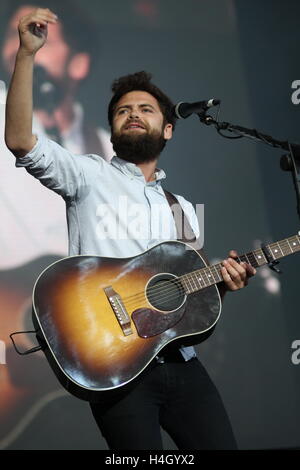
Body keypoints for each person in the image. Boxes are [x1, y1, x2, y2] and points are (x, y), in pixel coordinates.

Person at [5, 8, 256, 450]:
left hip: (182, 363)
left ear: (169, 129)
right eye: (123, 110)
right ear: (114, 126)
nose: (133, 114)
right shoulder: (86, 175)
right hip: (115, 362)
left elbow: (189, 294)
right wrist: (26, 55)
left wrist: (228, 282)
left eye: (145, 108)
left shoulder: (183, 211)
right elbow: (21, 140)